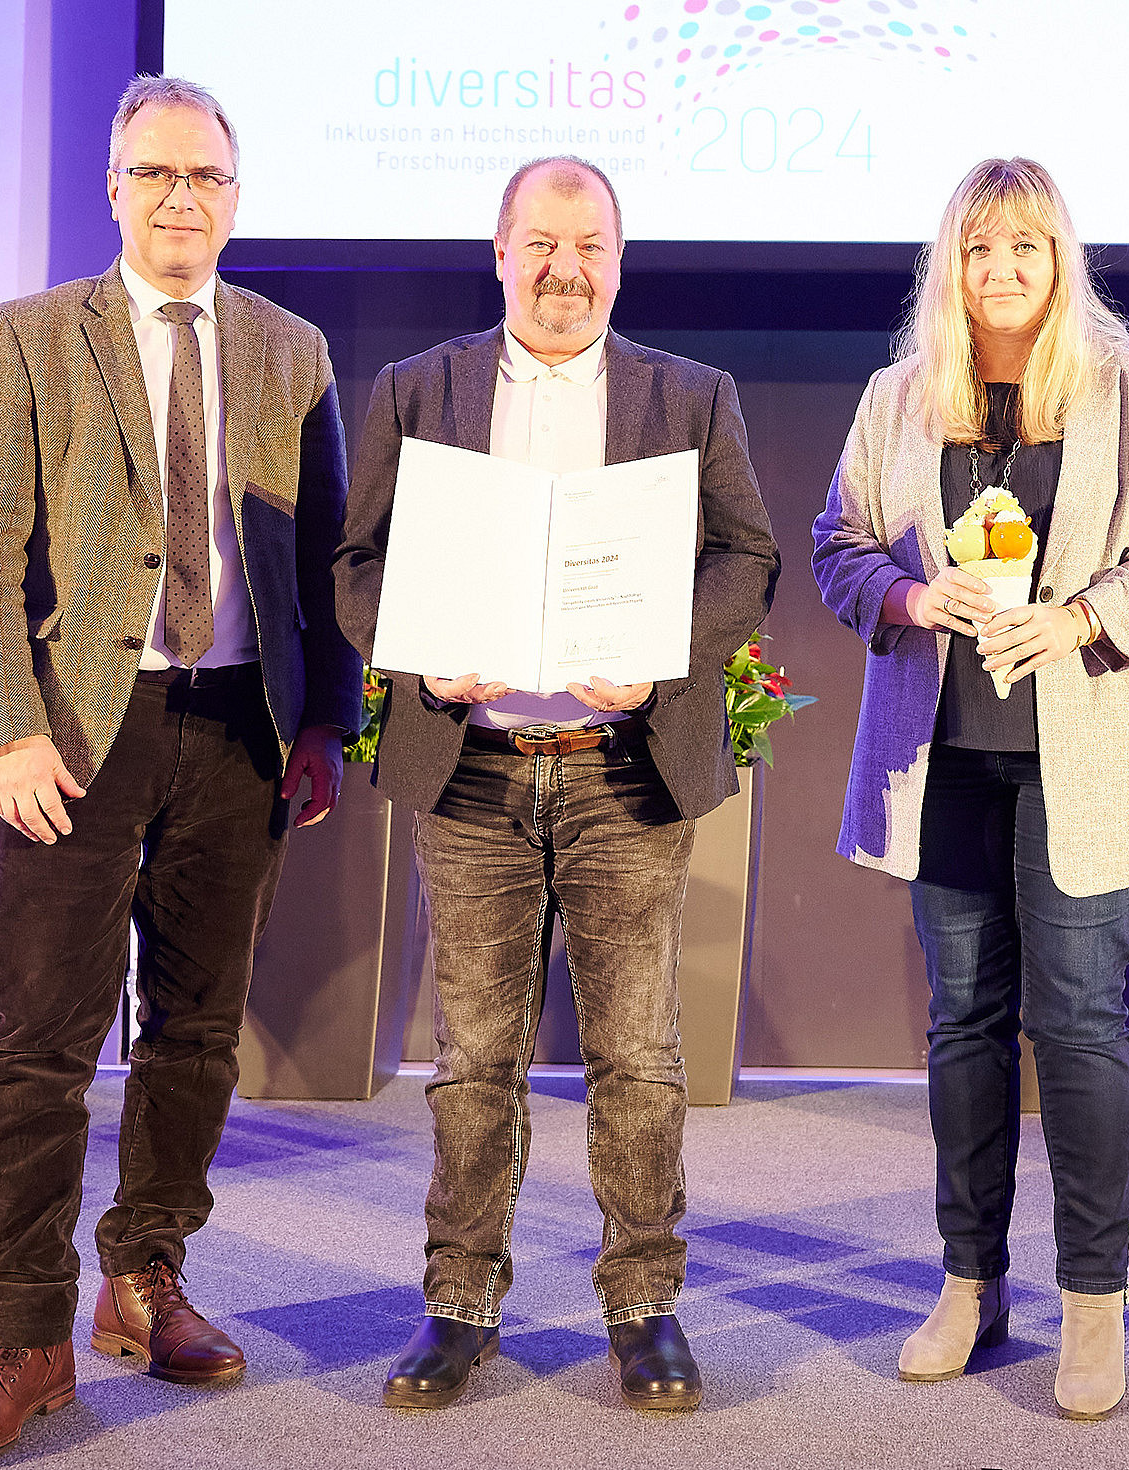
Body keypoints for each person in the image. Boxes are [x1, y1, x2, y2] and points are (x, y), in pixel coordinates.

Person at [0, 75, 362, 1463]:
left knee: (197, 1033)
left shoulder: (293, 349)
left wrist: (322, 724)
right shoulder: (31, 337)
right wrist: (4, 727)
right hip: (76, 734)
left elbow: (326, 557)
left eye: (207, 177)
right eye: (156, 174)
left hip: (240, 730)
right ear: (113, 189)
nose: (183, 197)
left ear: (237, 197)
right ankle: (23, 1338)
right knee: (37, 1047)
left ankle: (144, 1276)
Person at [334, 155, 778, 1414]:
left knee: (637, 1055)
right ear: (499, 252)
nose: (562, 270)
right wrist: (421, 651)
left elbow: (747, 557)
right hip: (470, 769)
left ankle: (642, 1306)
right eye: (539, 244)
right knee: (472, 1058)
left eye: (588, 247)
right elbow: (357, 564)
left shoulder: (687, 396)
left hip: (619, 772)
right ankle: (458, 1304)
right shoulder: (418, 389)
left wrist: (661, 661)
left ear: (619, 262)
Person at [810, 158, 1129, 1421]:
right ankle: (967, 1286)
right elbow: (840, 545)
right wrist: (915, 598)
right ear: (951, 265)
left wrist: (1081, 616)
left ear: (1060, 260)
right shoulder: (899, 396)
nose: (1000, 273)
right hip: (947, 760)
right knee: (963, 1027)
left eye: (1025, 249)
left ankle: (1093, 1304)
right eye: (978, 250)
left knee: (1081, 1024)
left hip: (1085, 751)